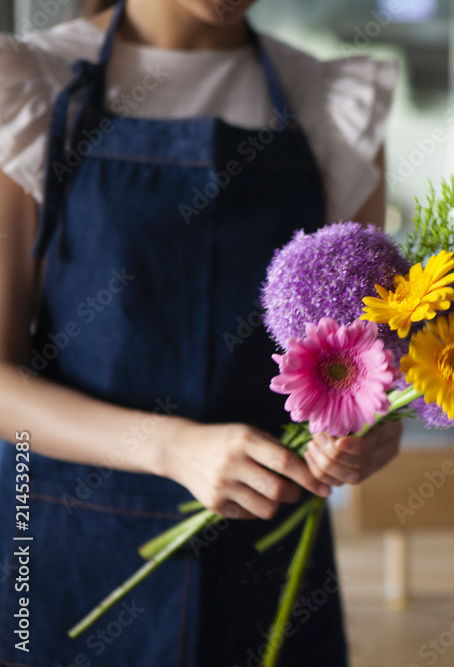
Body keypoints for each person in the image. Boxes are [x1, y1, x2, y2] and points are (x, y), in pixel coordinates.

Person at [0, 0, 401, 664]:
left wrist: (365, 436)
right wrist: (170, 447)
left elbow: (366, 367)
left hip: (267, 563)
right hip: (69, 553)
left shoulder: (333, 103)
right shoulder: (31, 85)